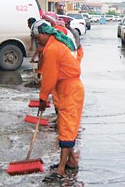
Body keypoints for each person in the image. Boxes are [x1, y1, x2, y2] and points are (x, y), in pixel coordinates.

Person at [32, 20, 84, 179]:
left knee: (67, 126)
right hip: (66, 88)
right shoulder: (54, 46)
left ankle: (61, 170)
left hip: (70, 89)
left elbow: (49, 77)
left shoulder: (53, 49)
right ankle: (72, 161)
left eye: (38, 36)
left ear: (45, 33)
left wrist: (42, 98)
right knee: (63, 124)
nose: (37, 40)